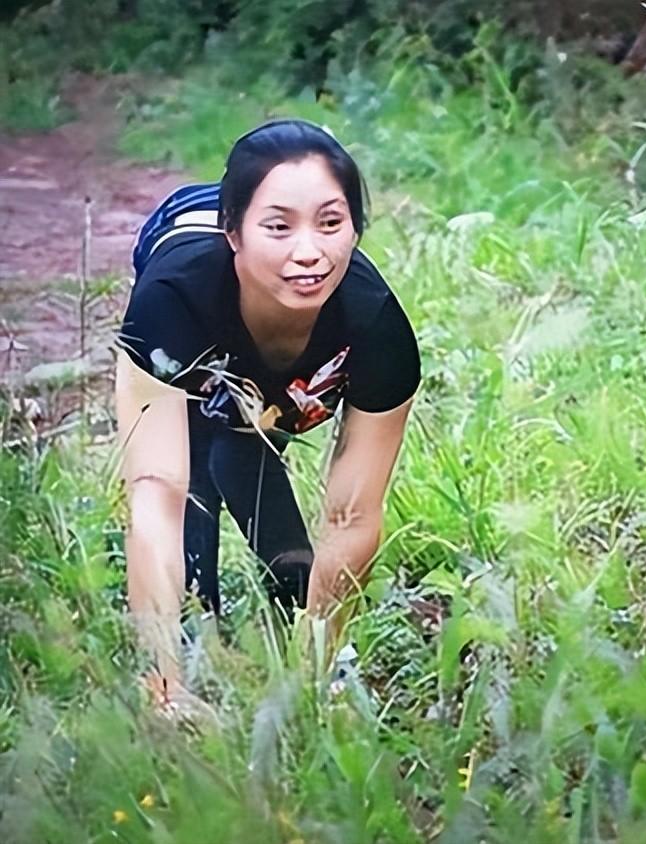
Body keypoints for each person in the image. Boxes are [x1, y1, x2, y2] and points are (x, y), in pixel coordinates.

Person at [115, 118, 419, 709]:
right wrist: (163, 681)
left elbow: (354, 516)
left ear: (356, 228)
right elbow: (156, 494)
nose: (310, 253)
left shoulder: (376, 323)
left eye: (332, 223)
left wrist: (316, 667)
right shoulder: (171, 301)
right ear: (235, 233)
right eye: (280, 228)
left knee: (248, 438)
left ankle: (294, 629)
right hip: (198, 286)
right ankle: (176, 657)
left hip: (285, 381)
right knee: (192, 471)